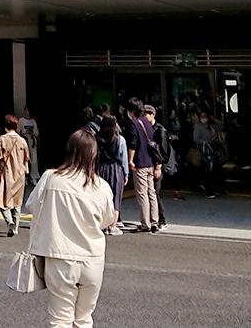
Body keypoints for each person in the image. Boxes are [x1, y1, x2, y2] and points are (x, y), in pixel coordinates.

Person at [25, 129, 118, 328]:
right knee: (84, 319)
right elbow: (108, 219)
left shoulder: (51, 178)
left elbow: (31, 206)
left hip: (59, 257)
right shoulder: (101, 186)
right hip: (92, 259)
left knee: (60, 320)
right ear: (93, 154)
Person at [0, 114, 31, 237]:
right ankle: (15, 228)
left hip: (6, 174)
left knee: (1, 201)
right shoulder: (22, 141)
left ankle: (9, 221)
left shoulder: (1, 140)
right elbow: (27, 159)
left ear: (5, 126)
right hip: (20, 175)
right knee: (17, 202)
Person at [124, 101, 161, 233]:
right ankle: (154, 221)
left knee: (142, 194)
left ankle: (145, 224)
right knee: (151, 192)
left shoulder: (134, 124)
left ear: (132, 112)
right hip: (150, 162)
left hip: (140, 163)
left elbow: (133, 144)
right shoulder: (147, 122)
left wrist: (130, 160)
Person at [94, 115, 128, 236]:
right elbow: (123, 159)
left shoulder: (96, 138)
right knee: (115, 198)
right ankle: (112, 226)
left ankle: (102, 225)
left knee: (100, 197)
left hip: (100, 169)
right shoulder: (120, 140)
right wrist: (126, 174)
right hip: (115, 169)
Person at [192, 110, 226, 197]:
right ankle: (209, 190)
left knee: (216, 169)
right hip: (205, 151)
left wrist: (213, 118)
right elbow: (196, 139)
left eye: (205, 116)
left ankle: (217, 188)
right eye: (202, 117)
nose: (204, 118)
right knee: (208, 170)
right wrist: (205, 142)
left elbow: (221, 125)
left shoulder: (211, 126)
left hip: (213, 150)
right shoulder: (198, 127)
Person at [19, 106, 40, 185]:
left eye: (28, 110)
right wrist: (24, 132)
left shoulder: (33, 121)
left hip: (32, 141)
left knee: (34, 160)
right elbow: (18, 130)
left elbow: (37, 133)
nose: (27, 112)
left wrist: (32, 132)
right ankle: (25, 177)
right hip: (24, 140)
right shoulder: (21, 120)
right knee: (24, 159)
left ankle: (33, 176)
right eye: (25, 110)